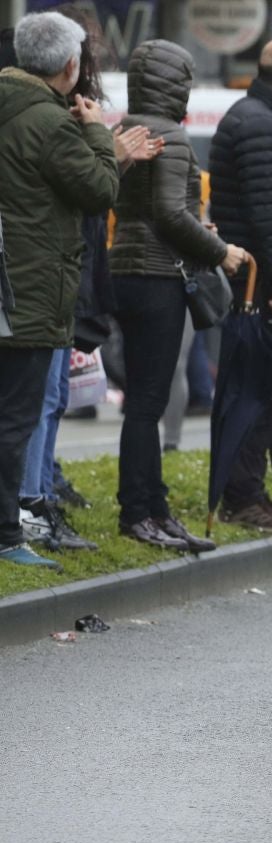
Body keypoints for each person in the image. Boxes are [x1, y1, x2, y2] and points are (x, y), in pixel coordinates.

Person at [109, 39, 247, 552]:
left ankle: (155, 507)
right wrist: (221, 252)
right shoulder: (171, 136)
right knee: (148, 402)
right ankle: (139, 513)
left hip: (126, 268)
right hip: (158, 276)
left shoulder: (124, 130)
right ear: (177, 85)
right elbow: (171, 214)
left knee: (144, 400)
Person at [0, 11, 119, 571]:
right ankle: (6, 533)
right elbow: (99, 189)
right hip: (29, 289)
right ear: (71, 66)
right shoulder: (50, 122)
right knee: (18, 418)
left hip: (10, 280)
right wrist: (97, 130)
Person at [208, 38, 272, 535]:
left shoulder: (254, 118)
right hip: (260, 285)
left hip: (254, 280)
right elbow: (269, 210)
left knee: (259, 390)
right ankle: (243, 497)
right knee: (259, 391)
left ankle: (248, 492)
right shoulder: (261, 125)